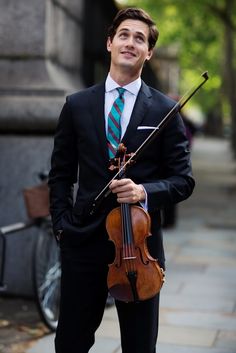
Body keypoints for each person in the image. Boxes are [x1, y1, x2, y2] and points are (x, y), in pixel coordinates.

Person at [48, 7, 195, 353]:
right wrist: (61, 226)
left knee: (139, 346)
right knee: (70, 342)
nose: (131, 42)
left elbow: (183, 180)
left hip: (138, 249)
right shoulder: (77, 105)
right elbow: (61, 174)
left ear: (149, 52)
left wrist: (144, 191)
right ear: (110, 43)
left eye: (140, 38)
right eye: (124, 35)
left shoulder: (165, 111)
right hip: (83, 241)